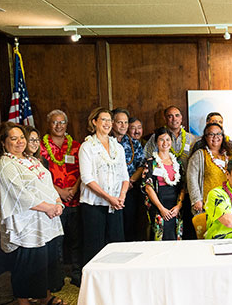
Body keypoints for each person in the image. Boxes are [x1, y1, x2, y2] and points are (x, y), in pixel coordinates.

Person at [0, 122, 68, 305]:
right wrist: (49, 207)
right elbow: (19, 196)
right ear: (3, 142)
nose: (19, 142)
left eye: (21, 138)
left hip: (46, 220)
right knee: (28, 263)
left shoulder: (32, 160)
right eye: (13, 139)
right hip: (26, 226)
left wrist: (57, 202)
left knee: (46, 260)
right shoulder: (4, 166)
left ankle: (44, 297)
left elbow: (48, 184)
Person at [79, 108, 130, 266]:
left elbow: (125, 176)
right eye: (104, 120)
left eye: (110, 120)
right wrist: (109, 198)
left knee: (116, 246)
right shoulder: (86, 147)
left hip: (116, 204)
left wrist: (121, 196)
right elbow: (87, 178)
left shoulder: (118, 147)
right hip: (94, 205)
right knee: (95, 247)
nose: (108, 123)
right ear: (94, 122)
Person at [40, 109, 82, 284]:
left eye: (62, 122)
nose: (58, 126)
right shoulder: (40, 147)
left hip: (76, 199)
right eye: (54, 122)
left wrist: (74, 188)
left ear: (67, 124)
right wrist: (60, 191)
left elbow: (84, 170)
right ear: (49, 125)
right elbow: (40, 174)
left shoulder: (77, 146)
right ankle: (56, 279)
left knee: (77, 240)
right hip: (53, 203)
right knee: (56, 242)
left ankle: (77, 274)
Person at [143, 126, 185, 241]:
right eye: (161, 139)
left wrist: (179, 206)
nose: (165, 143)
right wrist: (161, 208)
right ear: (156, 142)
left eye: (168, 139)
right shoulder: (151, 163)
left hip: (175, 206)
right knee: (159, 238)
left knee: (174, 238)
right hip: (158, 205)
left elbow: (182, 187)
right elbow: (148, 187)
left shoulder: (178, 163)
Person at [187, 122, 232, 215]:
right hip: (207, 204)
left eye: (218, 134)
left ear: (222, 136)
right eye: (211, 134)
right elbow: (191, 178)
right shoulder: (200, 154)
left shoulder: (230, 155)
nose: (215, 137)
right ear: (205, 137)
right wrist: (196, 199)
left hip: (228, 203)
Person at [112, 108, 146, 241]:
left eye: (125, 123)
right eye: (120, 122)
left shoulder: (133, 143)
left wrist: (130, 181)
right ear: (112, 123)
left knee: (130, 224)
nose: (123, 126)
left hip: (130, 189)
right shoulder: (106, 141)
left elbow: (141, 164)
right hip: (110, 190)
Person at [143, 106, 197, 170]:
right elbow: (147, 156)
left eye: (177, 115)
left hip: (186, 176)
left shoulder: (191, 138)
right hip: (163, 176)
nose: (174, 119)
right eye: (170, 116)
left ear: (181, 118)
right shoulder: (157, 137)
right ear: (165, 119)